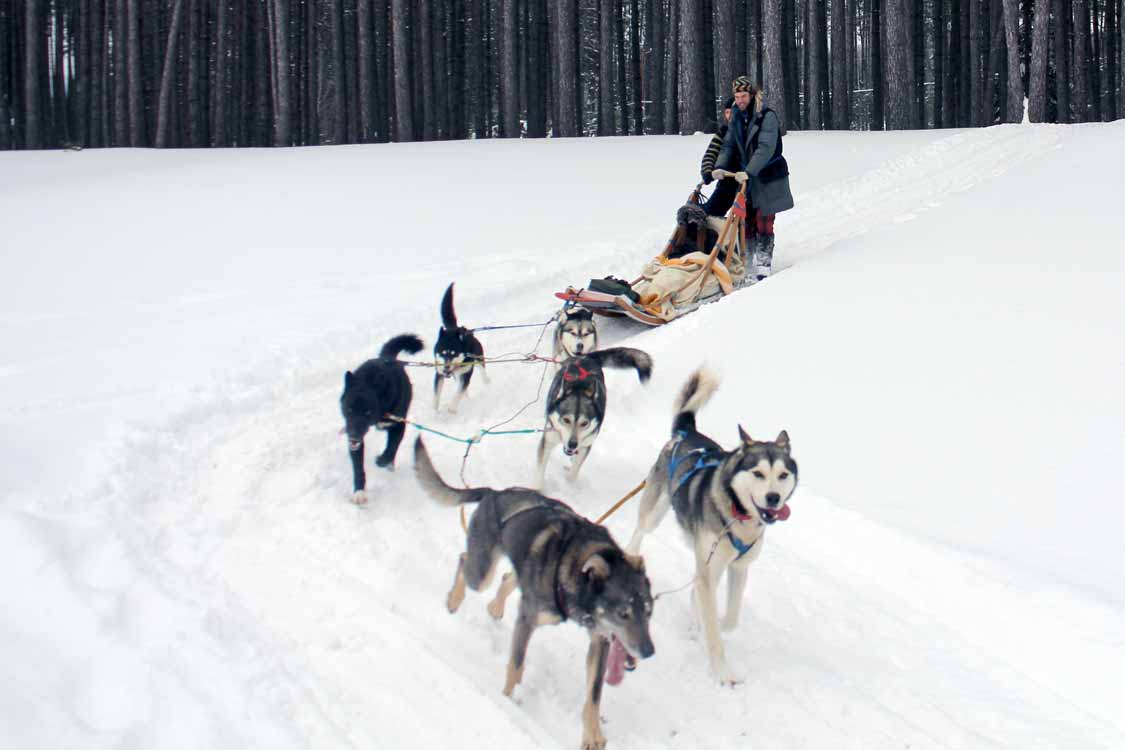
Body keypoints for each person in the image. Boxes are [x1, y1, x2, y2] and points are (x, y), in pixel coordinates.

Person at [713, 76, 794, 281]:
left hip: (767, 176)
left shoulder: (766, 116)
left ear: (751, 95)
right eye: (737, 96)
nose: (740, 100)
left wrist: (749, 171)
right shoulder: (737, 117)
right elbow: (729, 144)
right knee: (746, 220)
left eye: (743, 96)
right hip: (746, 179)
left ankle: (764, 262)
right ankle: (747, 261)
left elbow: (765, 148)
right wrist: (720, 166)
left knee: (764, 221)